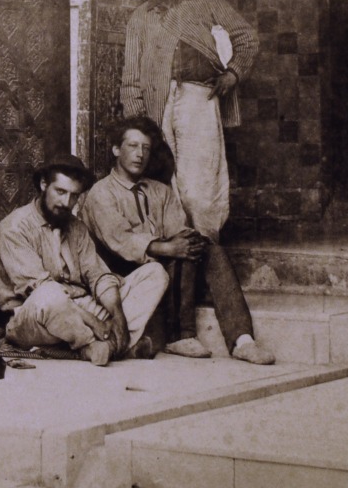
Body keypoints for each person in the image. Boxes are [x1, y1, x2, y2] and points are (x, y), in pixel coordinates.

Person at [120, 0, 274, 364]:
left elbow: (246, 37)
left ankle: (207, 314)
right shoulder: (139, 19)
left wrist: (234, 73)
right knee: (173, 208)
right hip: (157, 113)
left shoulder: (204, 0)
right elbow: (130, 81)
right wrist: (141, 130)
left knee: (201, 202)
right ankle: (189, 329)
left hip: (199, 100)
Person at [80, 117, 272, 362]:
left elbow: (178, 231)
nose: (140, 154)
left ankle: (242, 341)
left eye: (146, 148)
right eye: (133, 146)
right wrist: (168, 247)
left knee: (208, 250)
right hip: (127, 274)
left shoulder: (160, 191)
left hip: (169, 268)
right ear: (116, 150)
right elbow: (122, 242)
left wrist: (184, 243)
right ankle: (181, 335)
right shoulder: (101, 193)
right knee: (177, 252)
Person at [0, 157, 168, 365]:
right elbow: (37, 289)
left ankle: (110, 344)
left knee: (155, 273)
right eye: (60, 192)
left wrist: (118, 317)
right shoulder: (13, 228)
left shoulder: (77, 228)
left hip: (81, 306)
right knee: (50, 293)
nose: (66, 203)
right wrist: (95, 322)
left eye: (74, 196)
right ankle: (96, 344)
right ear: (44, 184)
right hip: (33, 317)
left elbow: (97, 275)